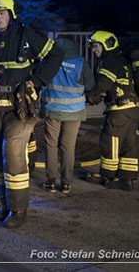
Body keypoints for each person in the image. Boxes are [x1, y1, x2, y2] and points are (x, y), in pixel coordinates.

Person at [0, 0, 63, 229]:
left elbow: (56, 54)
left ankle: (19, 209)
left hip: (20, 108)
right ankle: (6, 205)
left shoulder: (26, 35)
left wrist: (38, 80)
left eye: (2, 13)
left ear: (11, 14)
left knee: (13, 154)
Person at [85, 31, 139, 191]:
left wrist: (88, 97)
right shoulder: (122, 60)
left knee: (109, 141)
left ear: (106, 45)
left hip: (119, 110)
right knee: (128, 144)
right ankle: (126, 180)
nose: (94, 49)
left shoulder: (109, 61)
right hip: (133, 109)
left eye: (96, 45)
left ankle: (108, 176)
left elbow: (103, 84)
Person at [40, 37, 95, 194]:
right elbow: (90, 85)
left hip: (52, 109)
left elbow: (40, 78)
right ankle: (66, 183)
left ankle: (50, 182)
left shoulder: (49, 60)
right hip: (75, 110)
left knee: (51, 145)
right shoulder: (81, 62)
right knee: (68, 146)